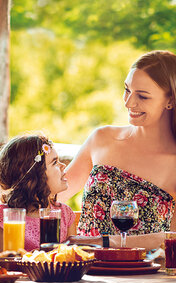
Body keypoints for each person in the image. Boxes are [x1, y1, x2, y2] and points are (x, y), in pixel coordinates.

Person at [61, 50, 176, 250]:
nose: (129, 102)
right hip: (84, 271)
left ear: (170, 101)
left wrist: (104, 242)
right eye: (127, 89)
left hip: (143, 276)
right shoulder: (102, 139)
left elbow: (171, 239)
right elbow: (51, 197)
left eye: (143, 96)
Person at [0, 133, 75, 252]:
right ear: (32, 176)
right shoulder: (5, 216)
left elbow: (72, 259)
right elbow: (3, 263)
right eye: (54, 162)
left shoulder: (65, 214)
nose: (63, 166)